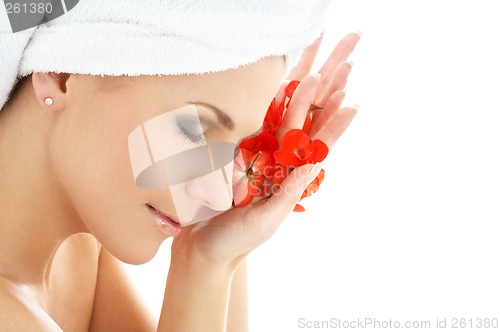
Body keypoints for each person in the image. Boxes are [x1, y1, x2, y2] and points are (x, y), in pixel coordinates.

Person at [0, 1, 360, 330]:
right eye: (196, 129)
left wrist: (209, 258)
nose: (221, 197)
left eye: (239, 148)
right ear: (62, 73)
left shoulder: (78, 257)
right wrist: (203, 269)